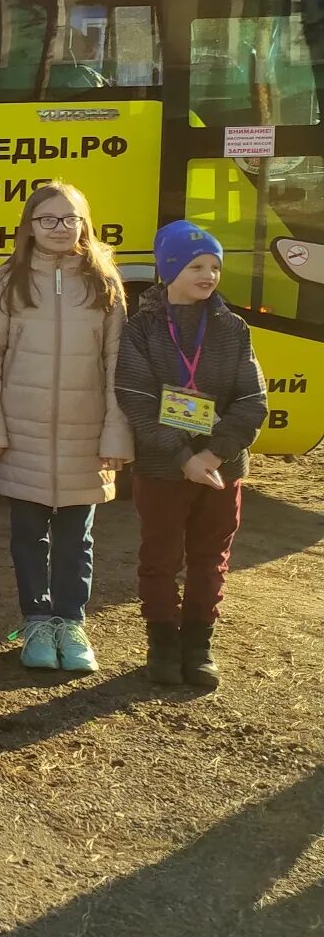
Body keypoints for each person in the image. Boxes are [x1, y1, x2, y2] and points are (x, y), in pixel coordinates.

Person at [0, 180, 132, 675]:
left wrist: (115, 433)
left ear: (85, 224)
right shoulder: (7, 282)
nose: (59, 229)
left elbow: (116, 365)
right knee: (27, 533)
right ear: (29, 226)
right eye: (47, 220)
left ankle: (71, 620)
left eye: (70, 219)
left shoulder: (104, 283)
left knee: (76, 536)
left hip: (87, 433)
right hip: (23, 429)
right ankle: (36, 621)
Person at [116, 222, 267, 689]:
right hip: (163, 468)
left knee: (210, 556)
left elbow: (253, 400)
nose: (209, 275)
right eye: (196, 265)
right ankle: (162, 642)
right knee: (161, 557)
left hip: (221, 470)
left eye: (215, 267)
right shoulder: (140, 329)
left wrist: (214, 455)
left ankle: (198, 644)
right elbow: (134, 398)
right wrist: (184, 457)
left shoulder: (233, 328)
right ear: (169, 269)